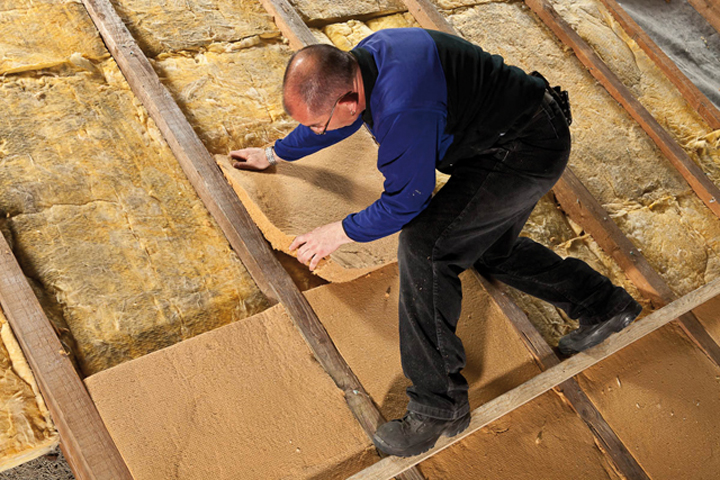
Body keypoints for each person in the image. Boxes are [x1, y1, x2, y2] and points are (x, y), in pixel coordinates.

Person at [229, 28, 642, 457]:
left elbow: (407, 201)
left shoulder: (402, 107)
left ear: (348, 100)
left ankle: (437, 406)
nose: (314, 130)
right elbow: (331, 123)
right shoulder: (363, 64)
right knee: (486, 247)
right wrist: (275, 153)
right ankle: (604, 305)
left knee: (425, 247)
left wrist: (337, 233)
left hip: (525, 149)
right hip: (511, 133)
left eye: (315, 124)